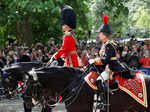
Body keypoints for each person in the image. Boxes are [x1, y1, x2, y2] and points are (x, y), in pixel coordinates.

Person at [84, 15, 134, 91]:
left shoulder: (109, 45)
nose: (99, 35)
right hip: (106, 67)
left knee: (99, 80)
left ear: (104, 35)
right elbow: (101, 57)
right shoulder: (104, 44)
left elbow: (105, 60)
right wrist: (94, 59)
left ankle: (105, 102)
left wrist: (94, 61)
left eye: (100, 34)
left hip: (111, 67)